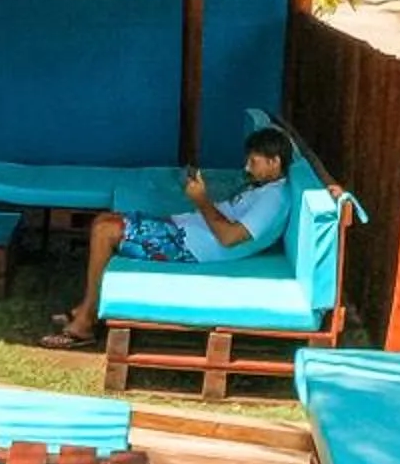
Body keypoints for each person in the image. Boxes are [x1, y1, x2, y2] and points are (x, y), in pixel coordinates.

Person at [45, 125, 294, 348]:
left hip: (188, 247)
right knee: (104, 220)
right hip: (185, 229)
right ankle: (85, 307)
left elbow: (229, 238)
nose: (247, 167)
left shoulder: (273, 200)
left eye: (254, 161)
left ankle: (85, 322)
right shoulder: (265, 187)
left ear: (275, 162)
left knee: (104, 231)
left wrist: (201, 200)